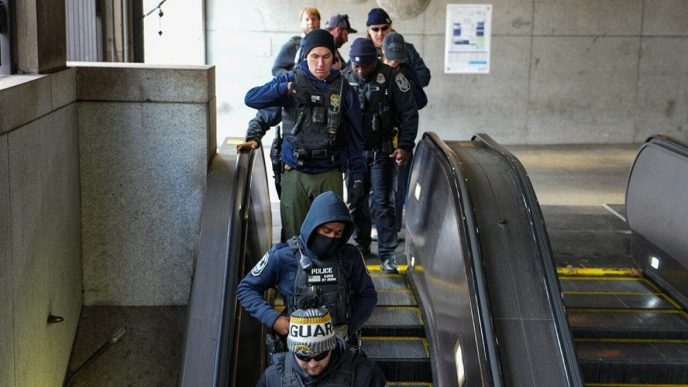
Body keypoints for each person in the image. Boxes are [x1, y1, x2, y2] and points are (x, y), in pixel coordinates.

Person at [241, 29, 366, 241]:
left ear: (334, 57)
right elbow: (252, 99)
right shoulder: (292, 80)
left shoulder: (344, 88)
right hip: (295, 169)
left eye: (326, 57)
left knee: (329, 238)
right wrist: (284, 89)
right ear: (305, 56)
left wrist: (357, 177)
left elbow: (356, 138)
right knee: (294, 237)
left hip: (329, 170)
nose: (320, 63)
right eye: (314, 57)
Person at [237, 191, 377, 343]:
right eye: (326, 231)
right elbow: (246, 288)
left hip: (339, 344)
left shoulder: (350, 256)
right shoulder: (282, 256)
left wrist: (350, 327)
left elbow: (368, 294)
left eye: (338, 233)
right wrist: (275, 320)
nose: (331, 237)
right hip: (296, 348)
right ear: (313, 226)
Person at [342, 38, 418, 273]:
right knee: (355, 202)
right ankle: (361, 246)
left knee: (383, 203)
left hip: (382, 152)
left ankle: (387, 254)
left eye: (366, 65)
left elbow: (409, 112)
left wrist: (405, 145)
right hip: (354, 154)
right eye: (357, 66)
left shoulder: (393, 78)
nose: (361, 70)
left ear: (375, 60)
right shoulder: (344, 78)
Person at [257, 306, 387, 387]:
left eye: (320, 355)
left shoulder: (365, 374)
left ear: (331, 346)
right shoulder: (273, 377)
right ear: (293, 350)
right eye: (304, 357)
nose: (312, 364)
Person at [382, 32, 427, 234]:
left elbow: (416, 106)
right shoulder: (374, 69)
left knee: (399, 183)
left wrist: (406, 144)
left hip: (400, 136)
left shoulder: (407, 73)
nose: (393, 64)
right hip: (378, 136)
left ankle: (394, 225)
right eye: (390, 59)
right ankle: (380, 225)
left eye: (397, 60)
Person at [366, 7, 431, 89]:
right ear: (369, 30)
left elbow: (424, 77)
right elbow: (353, 78)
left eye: (384, 28)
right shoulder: (362, 50)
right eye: (375, 29)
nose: (380, 33)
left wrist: (400, 72)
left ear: (390, 28)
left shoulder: (407, 49)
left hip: (404, 99)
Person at [272, 6, 321, 76]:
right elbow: (276, 69)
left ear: (319, 21)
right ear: (301, 23)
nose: (310, 22)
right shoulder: (291, 46)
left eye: (313, 19)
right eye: (307, 19)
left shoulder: (326, 45)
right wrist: (294, 77)